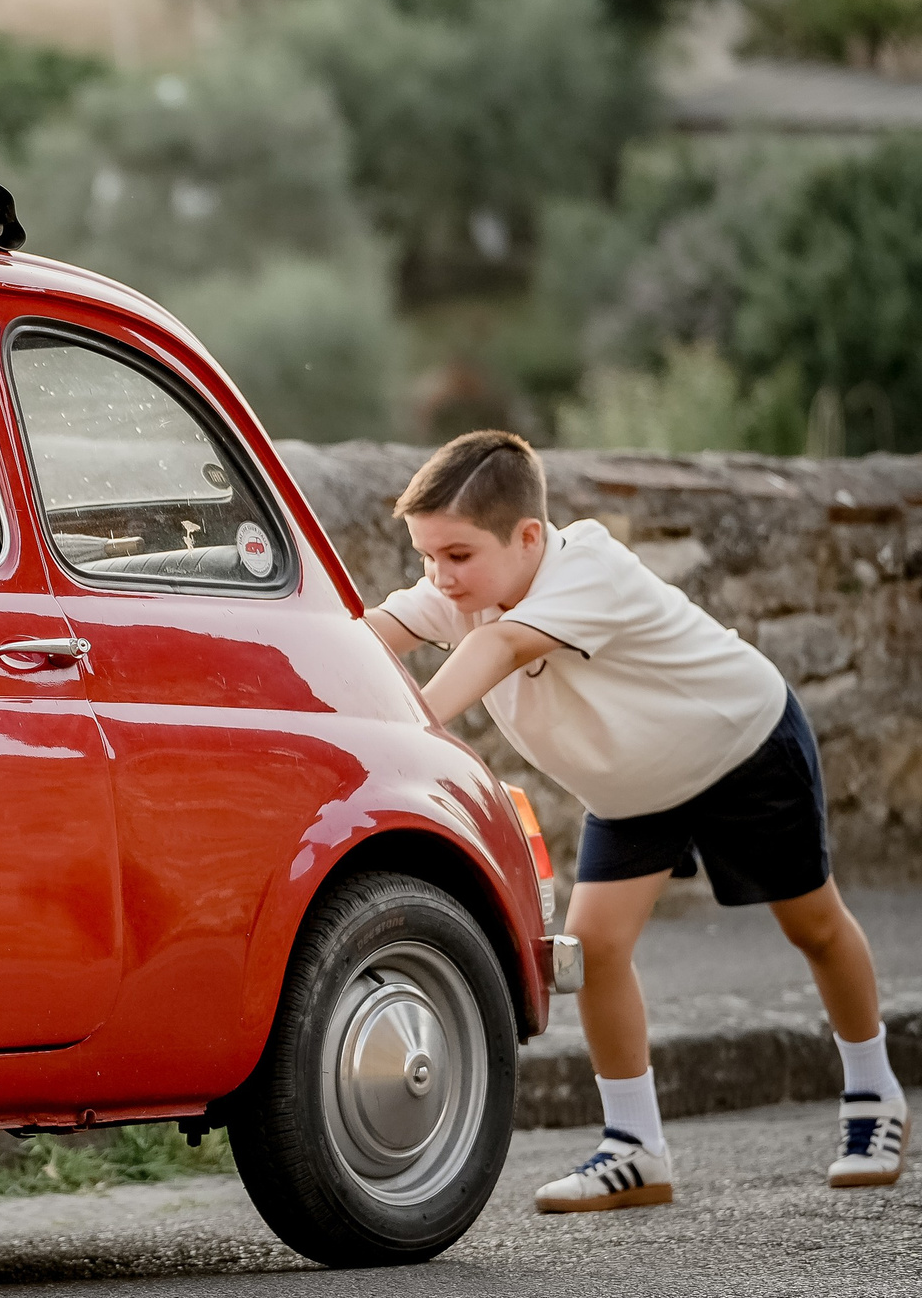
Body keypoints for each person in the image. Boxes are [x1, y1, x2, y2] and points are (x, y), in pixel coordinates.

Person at [364, 430, 904, 1211]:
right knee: (598, 949)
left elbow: (506, 647)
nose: (439, 579)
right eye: (426, 558)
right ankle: (635, 1148)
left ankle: (874, 1098)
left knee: (813, 923)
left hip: (738, 741)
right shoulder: (464, 591)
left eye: (456, 555)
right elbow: (380, 631)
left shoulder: (588, 566)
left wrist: (406, 735)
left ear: (527, 536)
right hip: (638, 786)